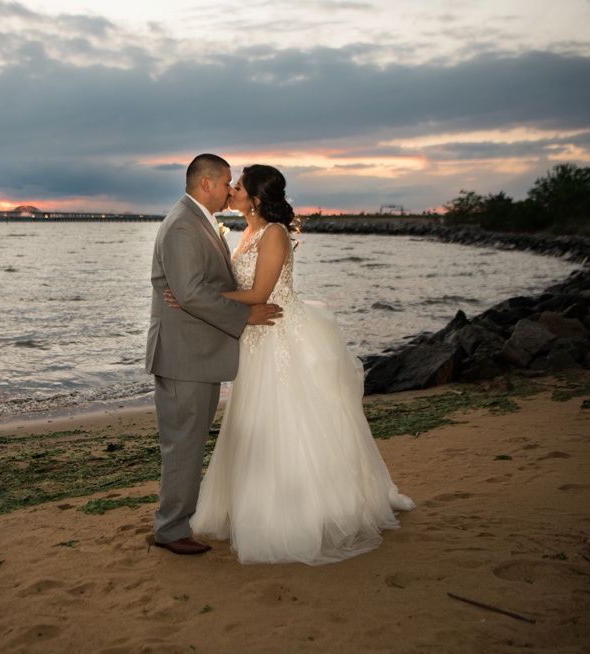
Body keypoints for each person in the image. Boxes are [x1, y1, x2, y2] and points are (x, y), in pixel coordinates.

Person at [175, 164, 415, 565]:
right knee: (254, 423)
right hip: (255, 339)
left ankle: (302, 515)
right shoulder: (246, 232)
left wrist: (193, 298)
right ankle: (252, 506)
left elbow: (260, 292)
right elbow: (238, 288)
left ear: (254, 198)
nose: (231, 190)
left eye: (238, 186)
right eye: (229, 184)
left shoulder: (274, 233)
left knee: (286, 420)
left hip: (279, 335)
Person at [146, 154, 283, 555]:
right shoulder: (183, 226)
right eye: (226, 182)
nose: (230, 189)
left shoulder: (198, 221)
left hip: (197, 353)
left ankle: (175, 523)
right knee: (183, 445)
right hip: (183, 356)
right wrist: (245, 315)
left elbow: (199, 288)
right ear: (206, 183)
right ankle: (171, 531)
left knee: (188, 442)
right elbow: (188, 293)